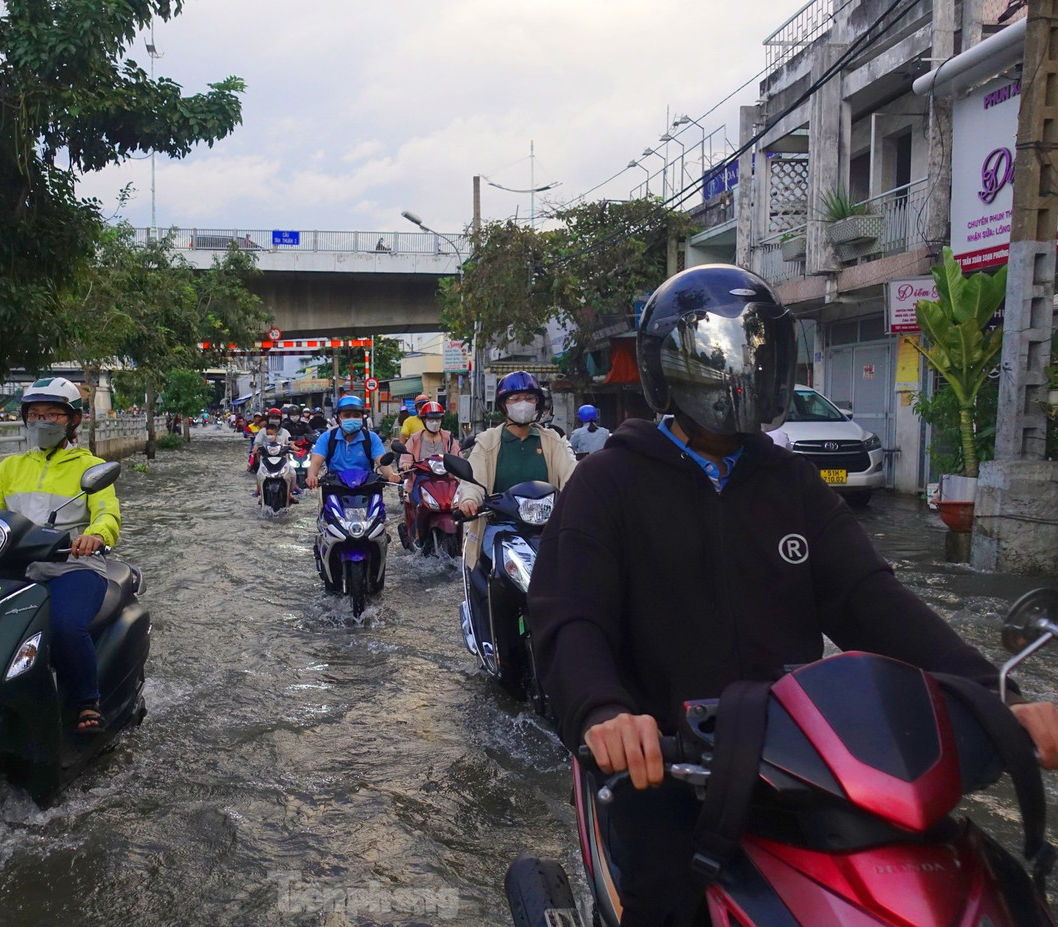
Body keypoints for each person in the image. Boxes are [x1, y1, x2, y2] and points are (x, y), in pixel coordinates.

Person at [526, 264, 1058, 927]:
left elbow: (872, 602)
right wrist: (606, 711)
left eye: (759, 351)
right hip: (669, 768)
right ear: (672, 366)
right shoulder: (608, 483)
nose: (745, 373)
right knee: (665, 902)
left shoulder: (793, 484)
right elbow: (570, 617)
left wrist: (997, 698)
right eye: (724, 353)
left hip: (802, 767)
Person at [0, 377, 120, 734]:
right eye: (35, 414)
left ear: (72, 420)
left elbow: (108, 511)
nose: (42, 422)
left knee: (64, 625)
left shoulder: (89, 467)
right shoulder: (11, 467)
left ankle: (85, 701)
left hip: (72, 566)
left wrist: (95, 535)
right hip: (17, 567)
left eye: (53, 415)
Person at [456, 372, 576, 651]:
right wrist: (470, 500)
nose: (523, 403)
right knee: (498, 577)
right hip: (500, 527)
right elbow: (473, 481)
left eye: (529, 398)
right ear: (503, 405)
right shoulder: (488, 442)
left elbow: (573, 476)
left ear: (538, 404)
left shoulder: (553, 441)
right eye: (515, 398)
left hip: (547, 528)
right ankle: (494, 636)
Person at [399, 400, 462, 548]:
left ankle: (460, 543)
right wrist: (406, 464)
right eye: (431, 419)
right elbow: (405, 458)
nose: (435, 422)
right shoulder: (415, 438)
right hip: (422, 479)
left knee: (459, 506)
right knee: (418, 502)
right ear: (423, 419)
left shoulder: (449, 438)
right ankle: (417, 536)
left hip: (447, 480)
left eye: (438, 419)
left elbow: (458, 456)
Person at [305, 395, 394, 489]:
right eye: (347, 416)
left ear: (362, 418)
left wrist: (391, 475)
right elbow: (315, 461)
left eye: (356, 416)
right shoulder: (327, 438)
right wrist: (311, 475)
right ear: (338, 418)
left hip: (366, 488)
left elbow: (381, 460)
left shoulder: (371, 438)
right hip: (334, 488)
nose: (351, 419)